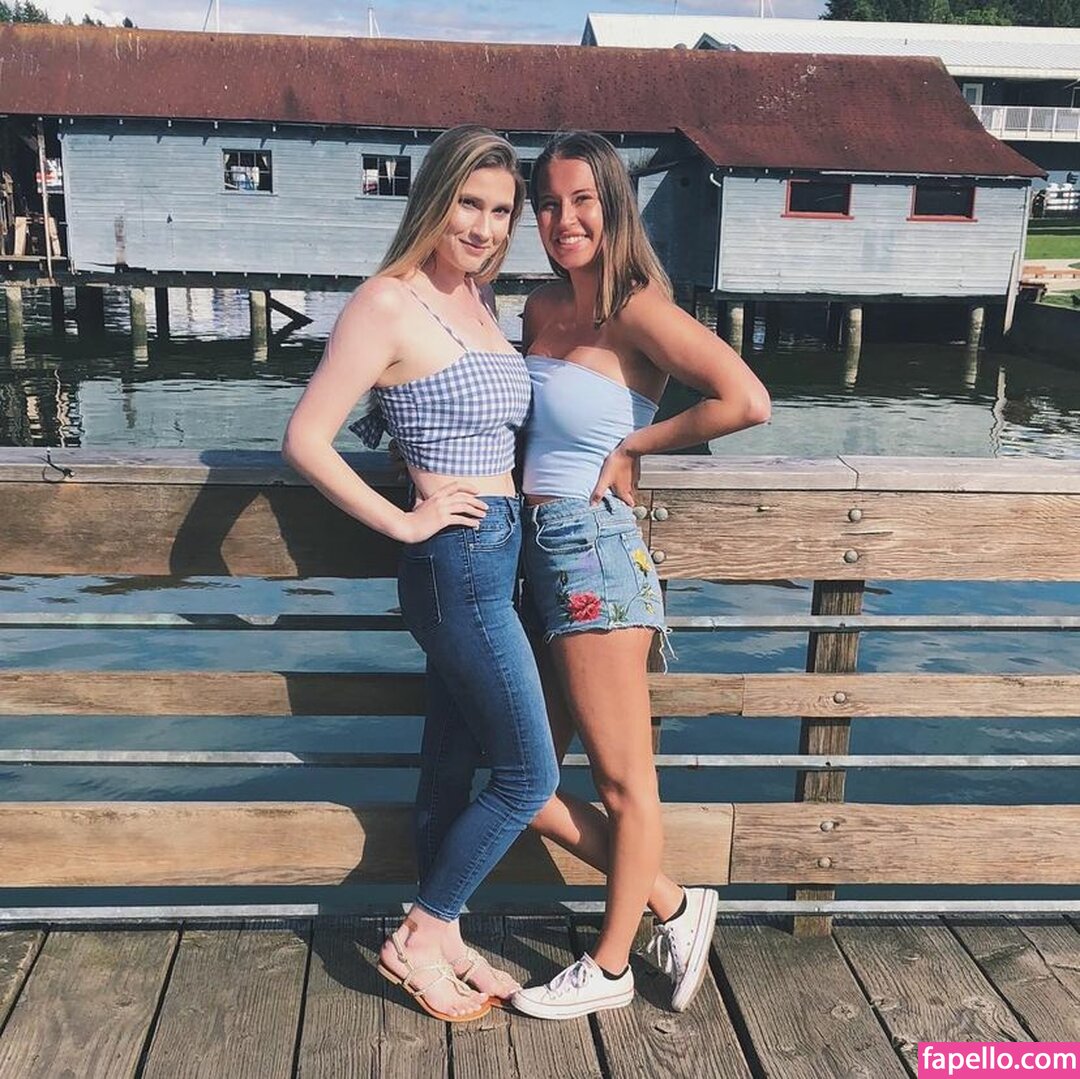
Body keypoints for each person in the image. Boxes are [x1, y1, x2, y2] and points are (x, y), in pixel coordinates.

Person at [282, 125, 559, 1022]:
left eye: (501, 212)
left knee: (451, 762)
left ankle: (446, 934)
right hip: (454, 563)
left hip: (497, 554)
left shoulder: (478, 298)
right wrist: (405, 519)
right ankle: (420, 931)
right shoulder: (386, 303)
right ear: (434, 200)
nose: (483, 226)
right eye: (468, 204)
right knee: (529, 775)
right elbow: (306, 439)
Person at [509, 131, 772, 1020]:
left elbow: (746, 399)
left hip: (592, 553)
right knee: (518, 777)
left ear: (614, 205)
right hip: (530, 557)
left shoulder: (637, 309)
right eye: (549, 203)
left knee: (624, 783)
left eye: (582, 199)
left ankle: (611, 965)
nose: (564, 219)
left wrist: (634, 444)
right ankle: (671, 903)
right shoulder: (541, 307)